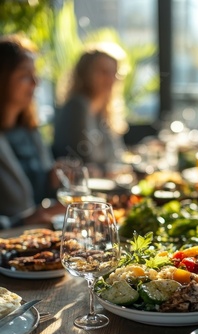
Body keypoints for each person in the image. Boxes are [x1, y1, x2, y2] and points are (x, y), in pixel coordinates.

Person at [0, 34, 63, 230]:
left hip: (36, 239)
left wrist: (53, 179)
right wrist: (22, 221)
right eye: (25, 75)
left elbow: (38, 195)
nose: (36, 83)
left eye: (35, 74)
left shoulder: (30, 132)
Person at [52, 48, 127, 177]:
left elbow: (117, 155)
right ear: (85, 74)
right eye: (103, 72)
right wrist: (107, 171)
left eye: (114, 72)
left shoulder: (103, 110)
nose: (111, 78)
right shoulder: (77, 106)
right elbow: (84, 163)